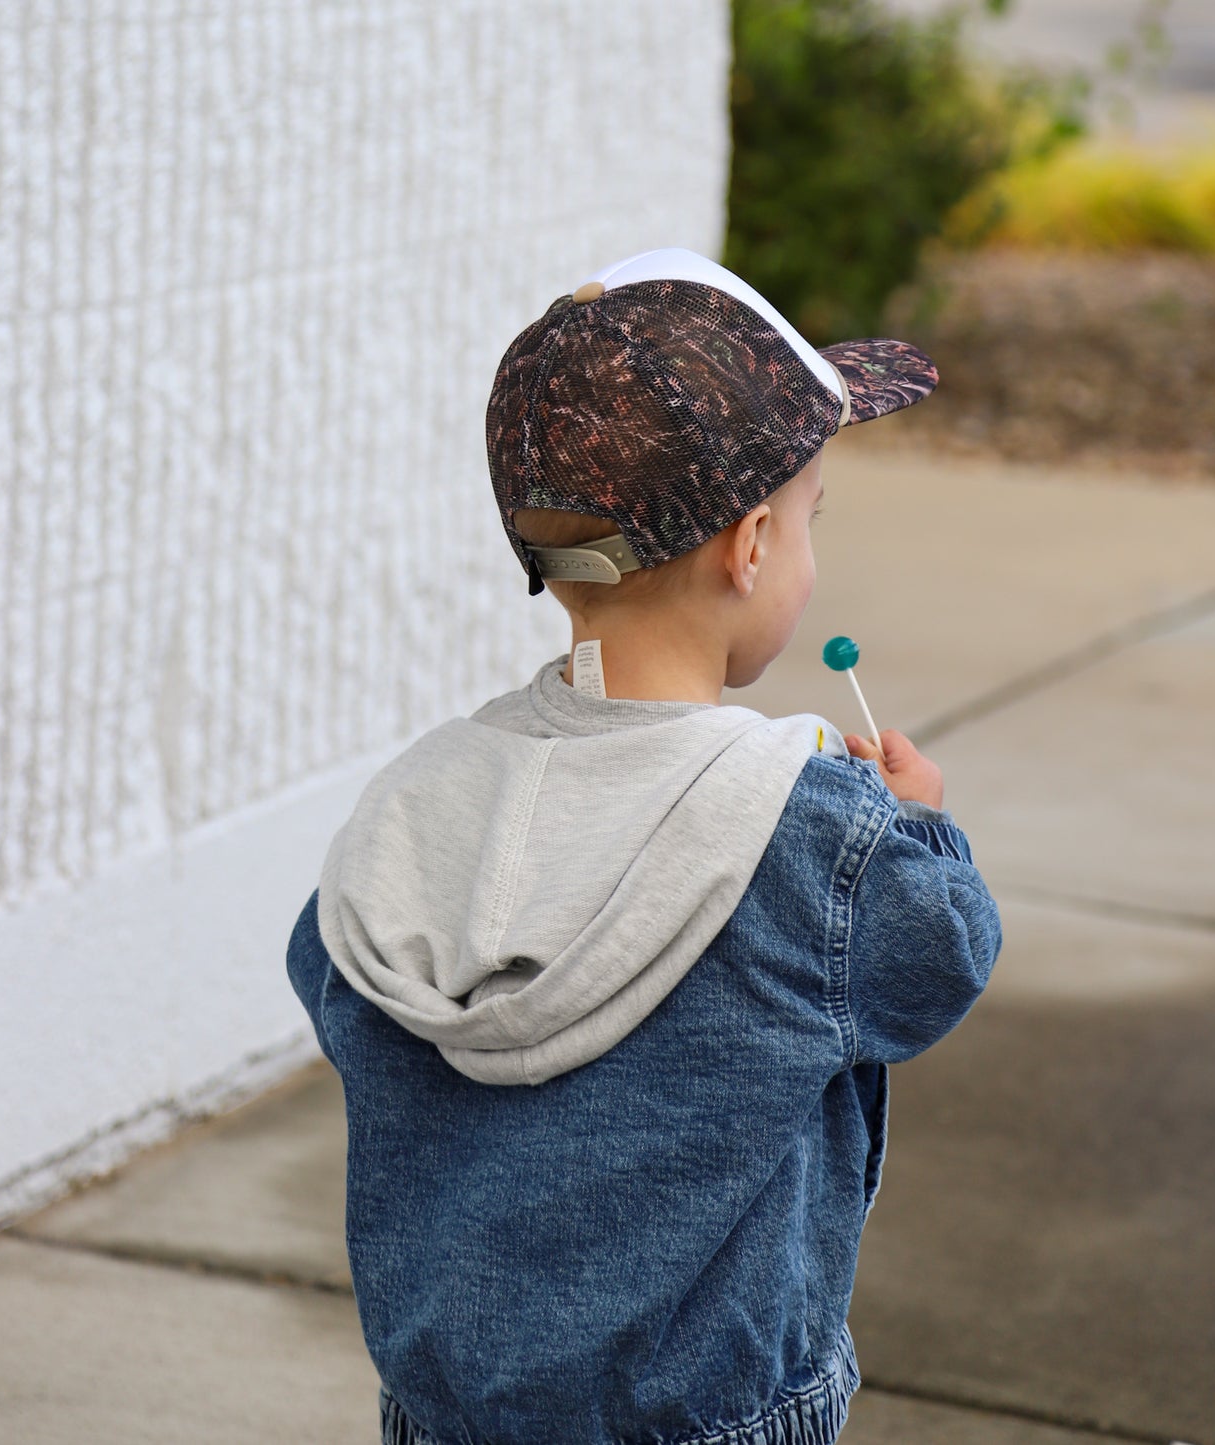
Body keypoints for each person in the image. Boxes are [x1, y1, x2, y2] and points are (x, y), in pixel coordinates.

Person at [285, 245, 1003, 1445]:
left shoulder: (415, 805)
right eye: (809, 519)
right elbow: (936, 957)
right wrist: (916, 828)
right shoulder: (808, 831)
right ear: (749, 544)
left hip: (450, 1417)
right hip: (709, 1419)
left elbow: (332, 968)